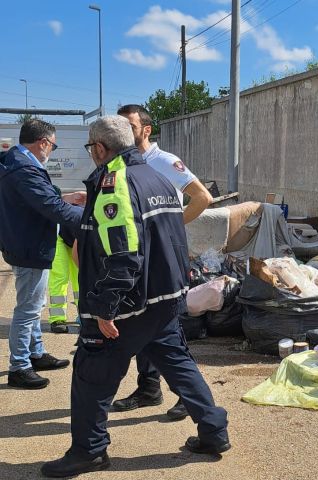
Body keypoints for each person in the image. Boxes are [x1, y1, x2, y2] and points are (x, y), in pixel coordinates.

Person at [41, 116, 229, 478]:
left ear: (99, 148)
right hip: (165, 296)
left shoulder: (115, 185)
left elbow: (124, 254)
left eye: (90, 148)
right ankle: (214, 431)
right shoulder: (157, 177)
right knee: (177, 363)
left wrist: (104, 308)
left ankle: (89, 451)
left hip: (130, 304)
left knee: (91, 375)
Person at [113, 104, 213, 421]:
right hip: (139, 257)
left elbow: (203, 197)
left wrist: (171, 226)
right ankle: (148, 388)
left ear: (146, 129)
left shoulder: (164, 161)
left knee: (168, 327)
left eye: (129, 126)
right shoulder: (122, 163)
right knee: (141, 320)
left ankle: (188, 395)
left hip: (164, 257)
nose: (123, 131)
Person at [0, 119, 85, 389]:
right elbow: (50, 206)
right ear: (44, 143)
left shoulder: (15, 161)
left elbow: (37, 197)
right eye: (53, 146)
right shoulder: (25, 168)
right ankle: (19, 367)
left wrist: (65, 197)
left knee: (33, 305)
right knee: (28, 309)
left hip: (24, 242)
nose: (51, 150)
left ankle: (35, 353)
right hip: (30, 246)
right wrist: (89, 218)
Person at [47, 225, 79, 334]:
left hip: (81, 236)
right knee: (59, 277)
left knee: (81, 278)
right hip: (58, 236)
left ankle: (84, 314)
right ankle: (57, 318)